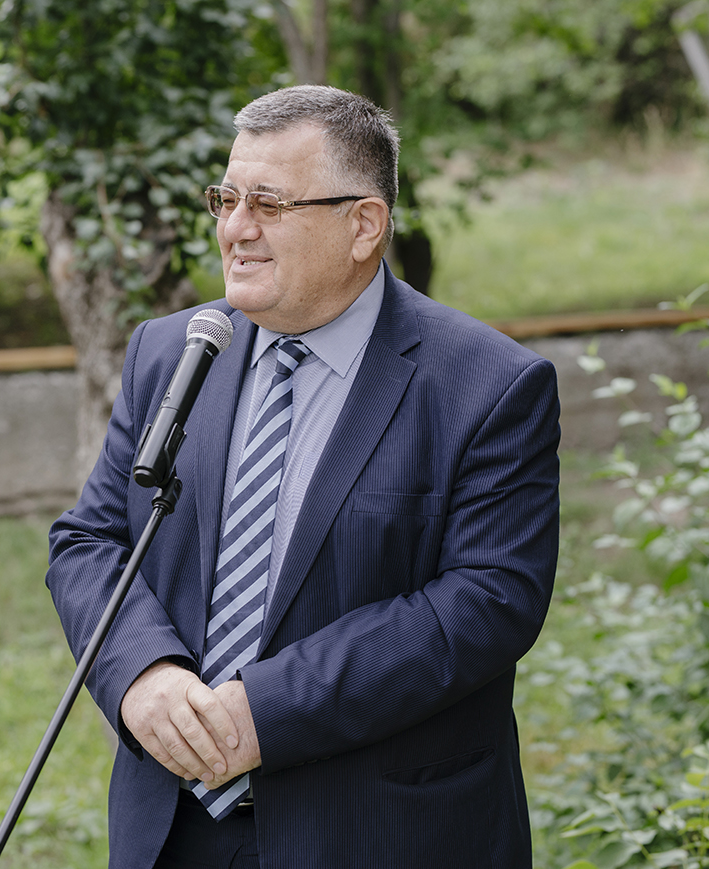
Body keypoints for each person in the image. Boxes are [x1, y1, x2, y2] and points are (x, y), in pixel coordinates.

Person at [46, 84, 560, 868]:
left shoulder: (489, 385)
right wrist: (141, 672)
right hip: (173, 831)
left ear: (364, 225)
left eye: (268, 204)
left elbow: (488, 600)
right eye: (226, 199)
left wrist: (266, 708)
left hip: (381, 832)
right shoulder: (172, 351)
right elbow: (90, 541)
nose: (235, 228)